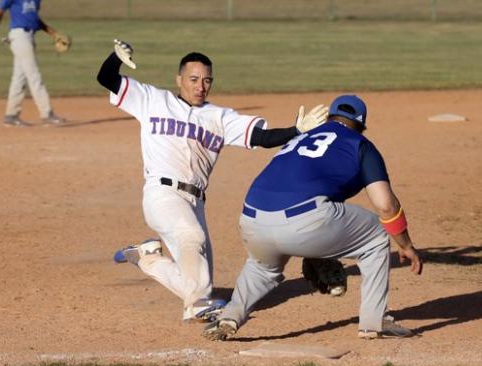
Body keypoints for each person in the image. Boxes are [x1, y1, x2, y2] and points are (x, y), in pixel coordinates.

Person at [96, 39, 329, 323]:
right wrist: (115, 57)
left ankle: (147, 258)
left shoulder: (220, 117)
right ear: (179, 79)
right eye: (193, 79)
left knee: (199, 283)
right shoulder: (153, 100)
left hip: (195, 203)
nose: (200, 86)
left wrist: (296, 130)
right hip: (162, 194)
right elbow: (106, 78)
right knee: (192, 240)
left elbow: (262, 138)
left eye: (207, 80)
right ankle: (196, 306)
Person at [202, 94, 424, 341]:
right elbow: (386, 205)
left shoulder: (300, 137)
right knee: (379, 236)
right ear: (361, 126)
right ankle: (375, 321)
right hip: (306, 222)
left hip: (251, 219)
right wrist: (405, 245)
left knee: (262, 267)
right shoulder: (360, 144)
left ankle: (229, 316)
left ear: (328, 118)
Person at [0, 0, 66, 127]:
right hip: (19, 36)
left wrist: (52, 32)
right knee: (34, 75)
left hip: (29, 37)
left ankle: (11, 116)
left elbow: (34, 19)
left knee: (19, 78)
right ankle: (47, 113)